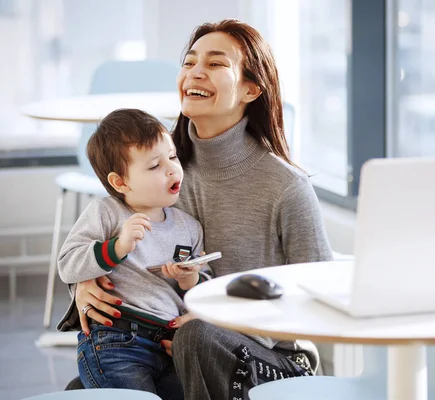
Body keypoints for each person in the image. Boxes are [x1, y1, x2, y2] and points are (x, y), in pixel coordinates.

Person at [59, 19, 333, 399]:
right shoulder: (159, 166)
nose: (195, 73)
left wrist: (224, 323)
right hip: (173, 346)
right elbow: (107, 232)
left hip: (274, 356)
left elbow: (320, 294)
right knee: (89, 382)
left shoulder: (286, 186)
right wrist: (84, 282)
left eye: (216, 64)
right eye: (189, 63)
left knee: (198, 336)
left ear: (251, 89)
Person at [58, 108, 212, 399]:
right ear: (121, 182)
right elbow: (68, 263)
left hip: (168, 346)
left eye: (173, 157)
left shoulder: (189, 227)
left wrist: (191, 279)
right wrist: (117, 247)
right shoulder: (106, 212)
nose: (171, 169)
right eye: (154, 166)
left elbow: (205, 286)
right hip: (116, 341)